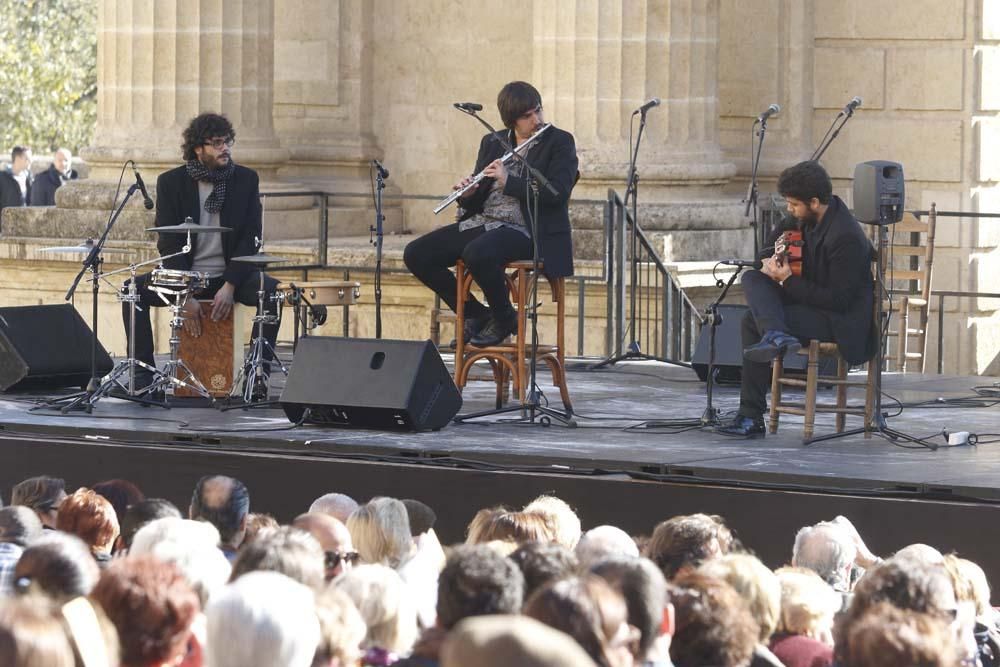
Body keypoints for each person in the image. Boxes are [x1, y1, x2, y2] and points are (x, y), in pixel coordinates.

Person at [404, 80, 578, 347]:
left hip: (528, 229)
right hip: (484, 221)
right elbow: (479, 195)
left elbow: (557, 193)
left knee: (477, 251)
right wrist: (468, 195)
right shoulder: (493, 142)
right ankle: (479, 314)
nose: (537, 120)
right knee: (417, 254)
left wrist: (510, 182)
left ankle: (504, 318)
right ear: (511, 120)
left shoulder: (559, 142)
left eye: (538, 111)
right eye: (527, 116)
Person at [121, 112, 279, 399]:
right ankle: (142, 376)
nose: (225, 148)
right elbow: (168, 243)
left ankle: (258, 375)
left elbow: (249, 238)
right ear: (198, 148)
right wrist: (185, 295)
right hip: (186, 278)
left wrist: (230, 285)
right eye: (217, 143)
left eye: (227, 141)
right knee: (132, 290)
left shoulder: (245, 179)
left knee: (272, 293)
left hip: (228, 276)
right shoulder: (171, 183)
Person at [717, 160, 875, 438]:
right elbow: (762, 256)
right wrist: (774, 258)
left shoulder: (846, 237)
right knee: (752, 277)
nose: (789, 210)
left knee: (751, 321)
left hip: (838, 320)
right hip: (806, 303)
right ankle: (776, 335)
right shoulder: (799, 219)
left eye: (793, 204)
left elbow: (839, 300)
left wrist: (788, 280)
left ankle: (751, 415)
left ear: (814, 202)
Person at [0, 146, 32, 213]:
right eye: (27, 159)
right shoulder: (2, 177)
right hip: (6, 221)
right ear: (17, 159)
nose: (30, 161)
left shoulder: (29, 177)